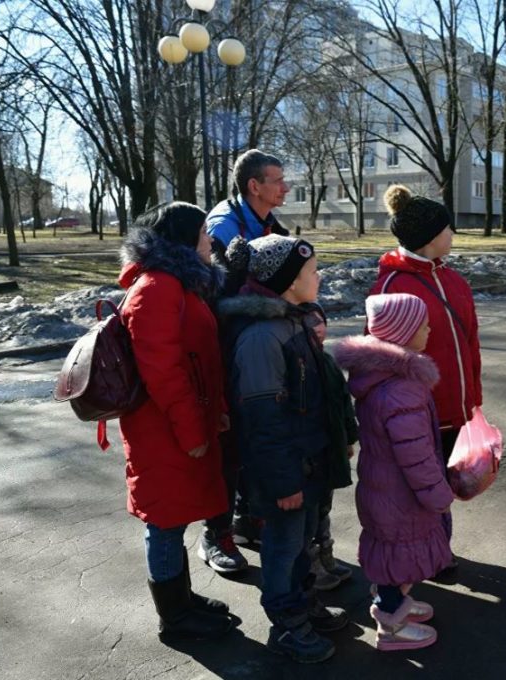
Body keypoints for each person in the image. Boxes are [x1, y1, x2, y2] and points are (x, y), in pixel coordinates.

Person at [219, 234, 349, 663]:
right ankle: (287, 625)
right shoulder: (261, 338)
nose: (319, 277)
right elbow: (262, 421)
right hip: (285, 470)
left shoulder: (292, 322)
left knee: (302, 542)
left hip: (307, 462)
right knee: (282, 546)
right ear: (287, 280)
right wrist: (283, 479)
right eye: (312, 271)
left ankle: (303, 605)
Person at [117, 202, 238, 640]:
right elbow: (164, 373)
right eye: (204, 232)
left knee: (176, 517)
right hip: (164, 431)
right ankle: (174, 617)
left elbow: (200, 357)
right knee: (165, 524)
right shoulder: (157, 289)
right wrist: (192, 432)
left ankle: (182, 600)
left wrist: (216, 412)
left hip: (182, 425)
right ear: (184, 240)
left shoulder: (178, 284)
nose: (211, 240)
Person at [368, 184, 481, 577]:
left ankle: (440, 549)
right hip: (416, 415)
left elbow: (471, 346)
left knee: (444, 488)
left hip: (457, 410)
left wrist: (474, 401)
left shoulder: (454, 281)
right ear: (431, 237)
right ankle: (431, 557)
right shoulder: (392, 287)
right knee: (421, 489)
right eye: (448, 229)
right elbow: (379, 361)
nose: (453, 234)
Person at [334, 293, 454, 652]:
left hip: (383, 487)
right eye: (423, 324)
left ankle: (396, 602)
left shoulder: (382, 377)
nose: (430, 328)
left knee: (396, 551)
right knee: (398, 556)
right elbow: (415, 456)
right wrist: (438, 494)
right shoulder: (402, 392)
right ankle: (391, 624)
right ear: (403, 334)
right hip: (401, 493)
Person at [197, 149, 291, 575]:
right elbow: (221, 297)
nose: (284, 186)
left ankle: (247, 518)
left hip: (254, 342)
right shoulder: (222, 228)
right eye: (277, 180)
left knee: (256, 435)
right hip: (226, 348)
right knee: (231, 444)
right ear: (255, 186)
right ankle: (215, 535)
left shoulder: (268, 222)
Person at [300, 303, 358, 592]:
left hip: (331, 447)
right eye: (311, 321)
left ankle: (326, 554)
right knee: (310, 511)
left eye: (321, 320)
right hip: (313, 450)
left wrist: (348, 438)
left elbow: (344, 402)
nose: (319, 326)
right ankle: (312, 564)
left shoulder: (328, 361)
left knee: (324, 505)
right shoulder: (300, 363)